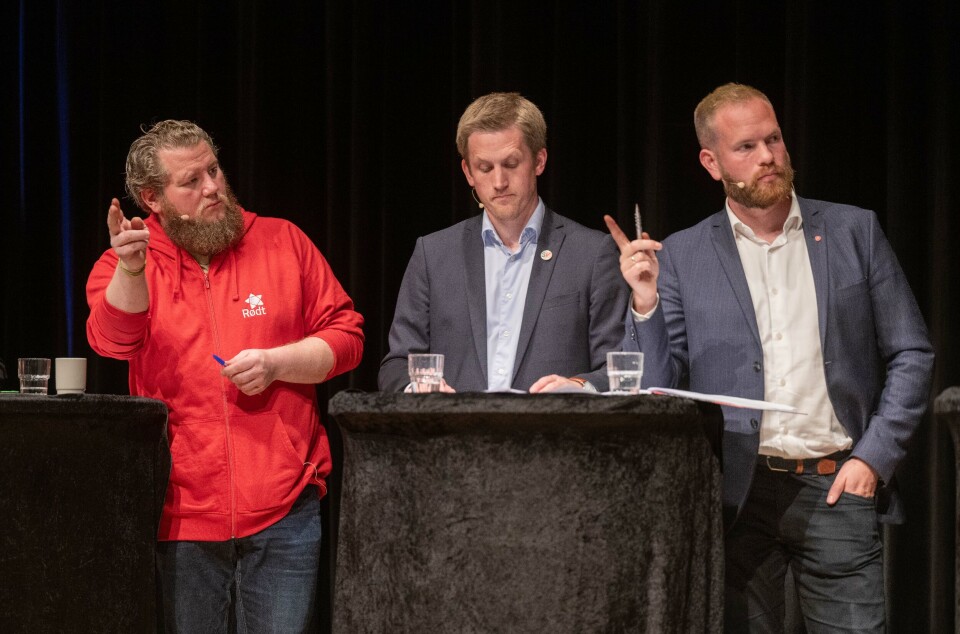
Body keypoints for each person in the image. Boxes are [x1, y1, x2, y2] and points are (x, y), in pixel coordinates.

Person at [606, 83, 934, 631]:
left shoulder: (855, 231)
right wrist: (646, 302)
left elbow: (912, 352)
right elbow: (658, 386)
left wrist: (873, 459)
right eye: (746, 147)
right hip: (739, 496)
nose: (767, 157)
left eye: (774, 139)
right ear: (711, 162)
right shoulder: (684, 254)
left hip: (837, 486)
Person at [86, 120, 364, 632]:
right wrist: (130, 271)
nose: (213, 186)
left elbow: (347, 339)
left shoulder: (284, 241)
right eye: (191, 181)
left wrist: (278, 363)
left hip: (285, 511)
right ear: (154, 199)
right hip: (182, 516)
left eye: (213, 169)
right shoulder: (128, 263)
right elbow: (112, 342)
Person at [379, 92, 628, 393]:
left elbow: (619, 368)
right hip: (456, 438)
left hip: (553, 436)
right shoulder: (433, 255)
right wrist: (419, 390)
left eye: (511, 164)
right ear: (468, 172)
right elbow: (396, 366)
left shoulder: (591, 253)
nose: (499, 182)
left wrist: (577, 387)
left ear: (539, 161)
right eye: (485, 168)